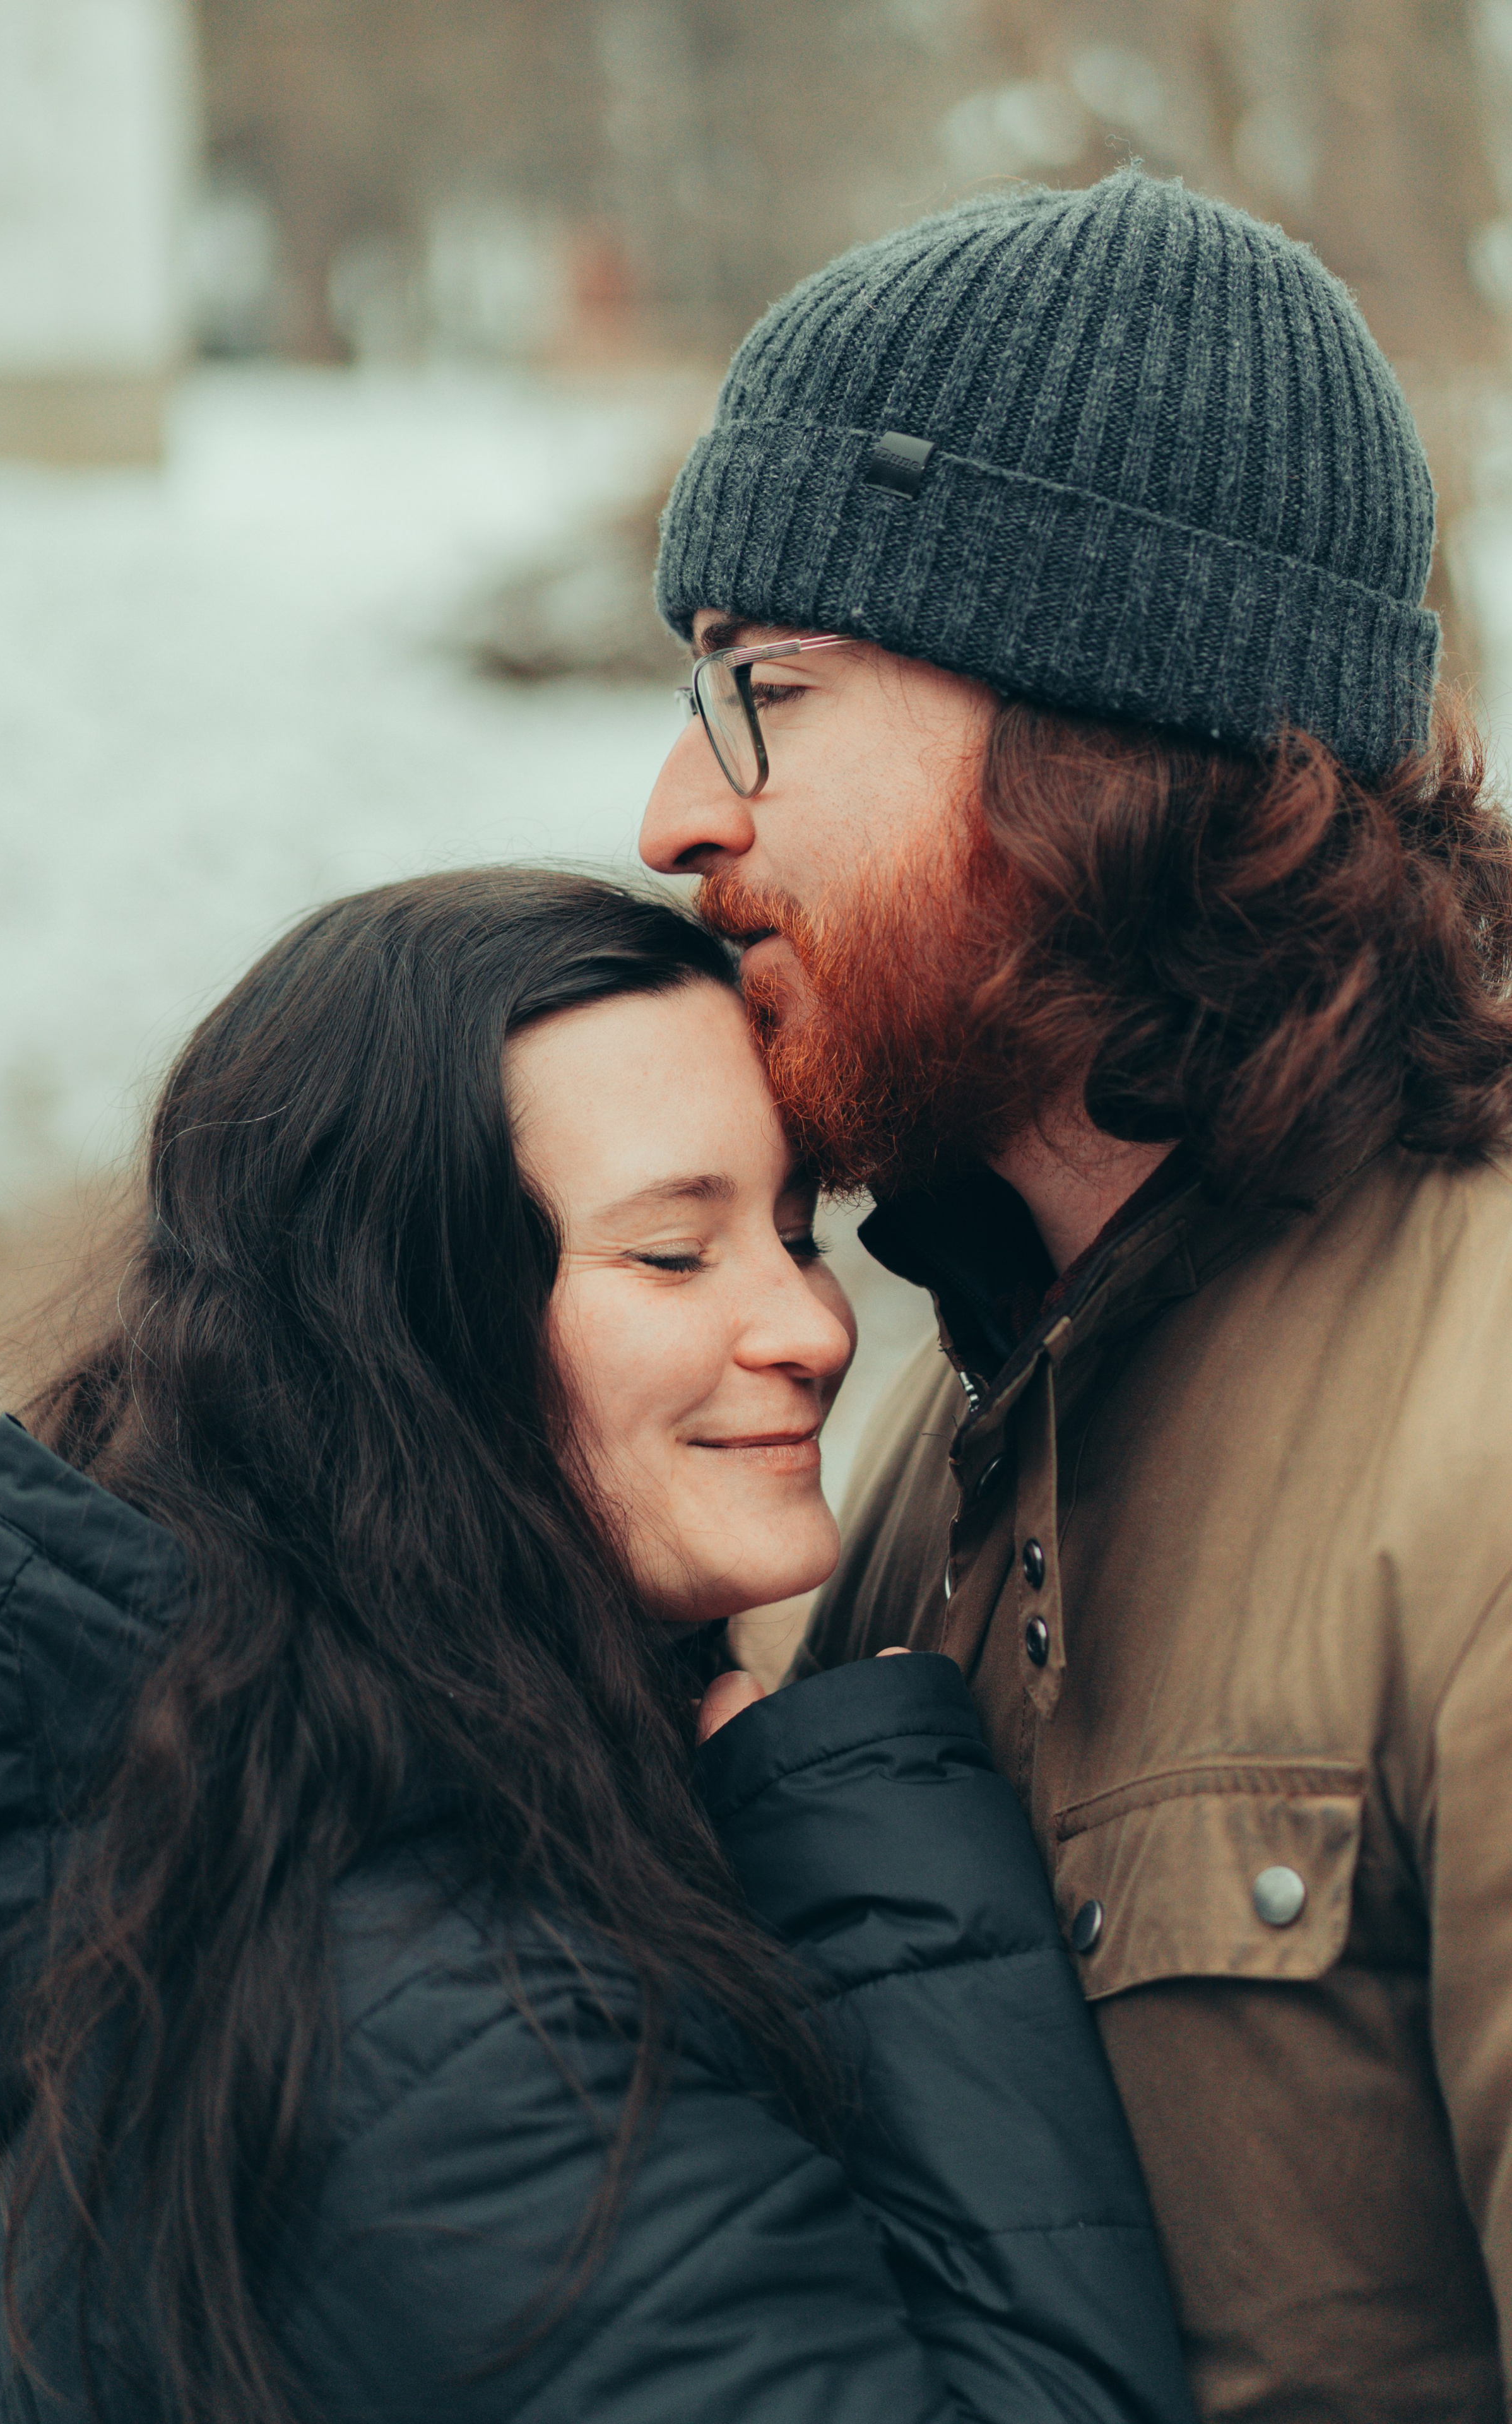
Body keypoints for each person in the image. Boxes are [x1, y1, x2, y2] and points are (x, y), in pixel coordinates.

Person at [0, 870, 1193, 2424]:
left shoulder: (292, 1854)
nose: (810, 1327)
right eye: (671, 1254)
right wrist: (876, 1875)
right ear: (403, 1338)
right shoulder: (440, 2028)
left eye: (795, 1235)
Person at [640, 167, 1512, 2423]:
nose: (669, 811)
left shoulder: (1487, 1408)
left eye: (768, 694)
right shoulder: (946, 1416)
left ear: (1094, 729)